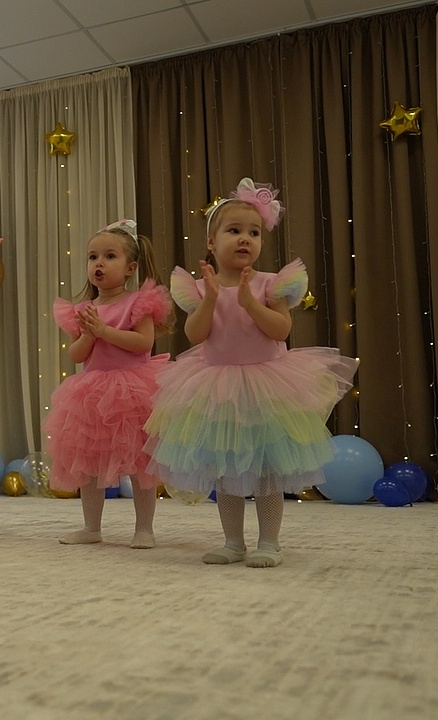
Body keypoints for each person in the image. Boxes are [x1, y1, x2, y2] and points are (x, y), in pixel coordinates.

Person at [145, 178, 357, 567]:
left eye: (254, 233)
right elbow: (196, 334)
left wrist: (250, 303)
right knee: (226, 471)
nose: (245, 239)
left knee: (266, 471)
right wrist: (211, 299)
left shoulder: (272, 284)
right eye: (234, 231)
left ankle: (269, 542)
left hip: (267, 386)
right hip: (218, 386)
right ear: (211, 243)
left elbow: (281, 330)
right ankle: (233, 542)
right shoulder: (199, 287)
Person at [43, 220, 173, 549]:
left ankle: (144, 528)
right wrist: (89, 334)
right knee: (89, 463)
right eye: (93, 257)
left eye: (109, 256)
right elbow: (77, 354)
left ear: (130, 267)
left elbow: (143, 343)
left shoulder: (138, 303)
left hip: (133, 389)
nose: (98, 263)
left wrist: (104, 332)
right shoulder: (84, 310)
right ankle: (91, 527)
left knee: (140, 463)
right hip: (92, 392)